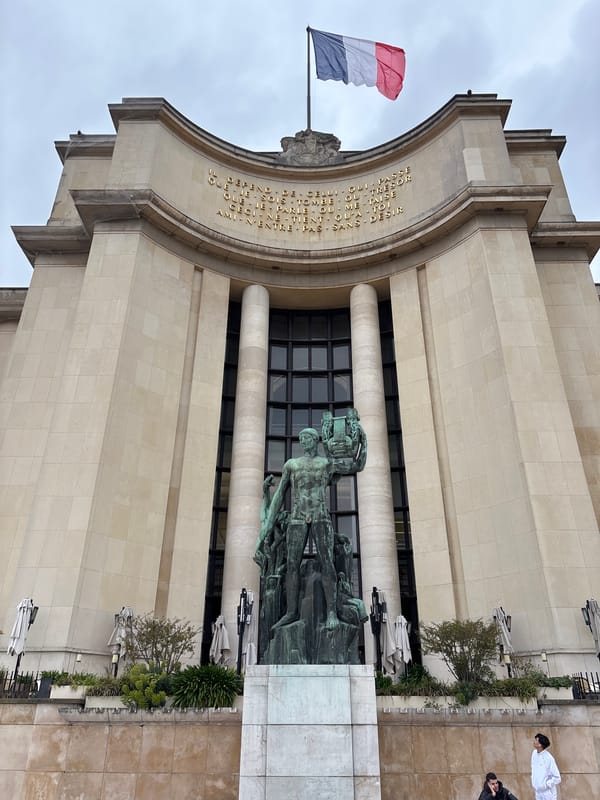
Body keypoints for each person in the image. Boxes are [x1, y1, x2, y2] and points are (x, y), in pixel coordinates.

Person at [260, 426, 365, 631]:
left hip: (320, 516)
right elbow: (280, 496)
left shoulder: (326, 464)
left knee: (327, 563)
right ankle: (291, 613)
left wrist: (363, 440)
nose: (303, 441)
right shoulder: (292, 465)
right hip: (298, 517)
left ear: (315, 440)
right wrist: (266, 527)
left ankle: (332, 612)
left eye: (307, 438)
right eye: (301, 438)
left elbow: (357, 465)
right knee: (292, 564)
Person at [531, 733, 561, 800]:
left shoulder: (549, 758)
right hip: (538, 792)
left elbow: (557, 778)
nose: (534, 741)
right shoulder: (534, 754)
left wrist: (546, 785)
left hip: (548, 793)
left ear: (540, 745)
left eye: (536, 740)